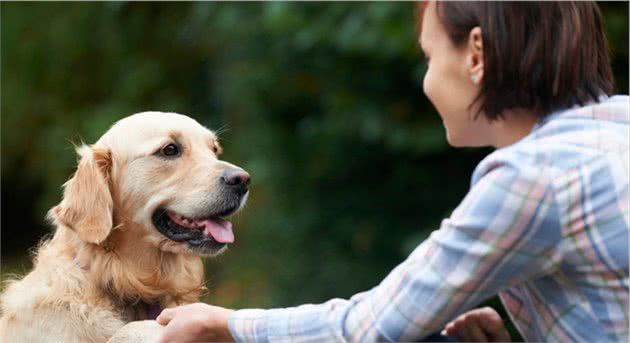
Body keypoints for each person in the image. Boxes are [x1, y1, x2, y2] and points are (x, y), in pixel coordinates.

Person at [156, 1, 629, 342]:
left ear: (476, 54)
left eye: (430, 56)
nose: (428, 80)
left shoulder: (532, 178)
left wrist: (226, 325)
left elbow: (374, 327)